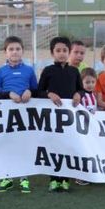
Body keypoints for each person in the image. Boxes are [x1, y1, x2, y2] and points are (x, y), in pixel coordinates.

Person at [0, 35, 39, 193]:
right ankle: (7, 177)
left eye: (18, 49)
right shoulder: (1, 71)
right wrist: (9, 94)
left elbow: (37, 91)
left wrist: (29, 91)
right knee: (7, 146)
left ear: (22, 51)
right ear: (5, 52)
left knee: (23, 146)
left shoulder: (29, 70)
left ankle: (24, 178)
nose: (15, 52)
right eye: (11, 49)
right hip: (6, 116)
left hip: (25, 116)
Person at [36, 36, 83, 192]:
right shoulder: (48, 71)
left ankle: (65, 179)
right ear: (52, 53)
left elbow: (81, 89)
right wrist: (49, 95)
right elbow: (39, 91)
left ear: (69, 52)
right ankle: (54, 179)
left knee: (68, 147)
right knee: (54, 147)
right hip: (52, 118)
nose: (61, 53)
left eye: (64, 50)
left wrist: (78, 94)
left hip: (69, 118)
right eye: (58, 50)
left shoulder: (74, 71)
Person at [76, 67, 99, 186]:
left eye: (92, 82)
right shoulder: (81, 95)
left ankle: (90, 173)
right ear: (82, 82)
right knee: (82, 151)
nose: (90, 85)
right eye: (87, 82)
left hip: (90, 129)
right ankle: (80, 176)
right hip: (82, 128)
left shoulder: (93, 95)